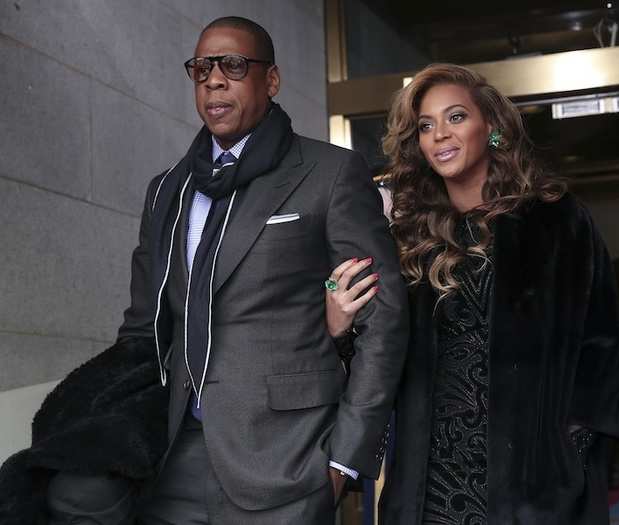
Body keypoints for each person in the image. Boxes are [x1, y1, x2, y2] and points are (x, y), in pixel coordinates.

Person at [45, 15, 408, 525]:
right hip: (175, 459)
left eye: (233, 66)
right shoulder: (167, 189)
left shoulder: (329, 173)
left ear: (272, 80)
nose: (213, 79)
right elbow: (143, 328)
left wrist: (344, 459)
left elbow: (384, 321)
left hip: (289, 462)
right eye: (201, 69)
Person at [325, 63, 619, 524]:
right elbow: (381, 356)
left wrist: (572, 448)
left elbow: (603, 340)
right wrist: (339, 326)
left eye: (455, 117)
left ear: (490, 126)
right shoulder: (408, 238)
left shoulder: (556, 221)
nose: (440, 135)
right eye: (426, 126)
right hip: (431, 482)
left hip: (534, 482)